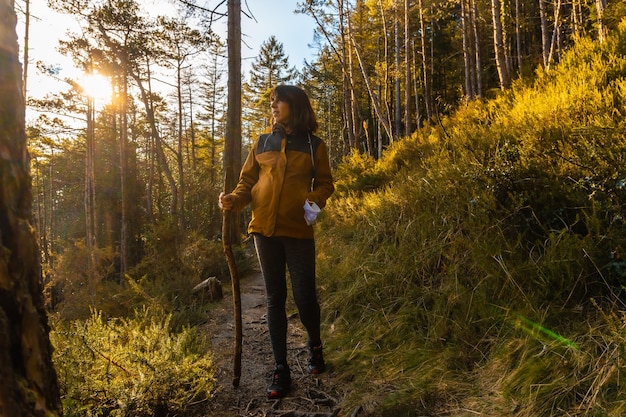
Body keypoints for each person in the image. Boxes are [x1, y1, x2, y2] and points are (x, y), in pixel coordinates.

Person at [219, 85, 335, 399]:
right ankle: (281, 367)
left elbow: (326, 183)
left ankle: (315, 344)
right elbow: (248, 182)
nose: (273, 105)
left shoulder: (314, 145)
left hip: (298, 230)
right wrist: (233, 200)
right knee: (274, 298)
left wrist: (311, 201)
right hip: (263, 231)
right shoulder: (261, 142)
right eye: (271, 101)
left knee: (304, 295)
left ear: (294, 105)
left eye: (278, 101)